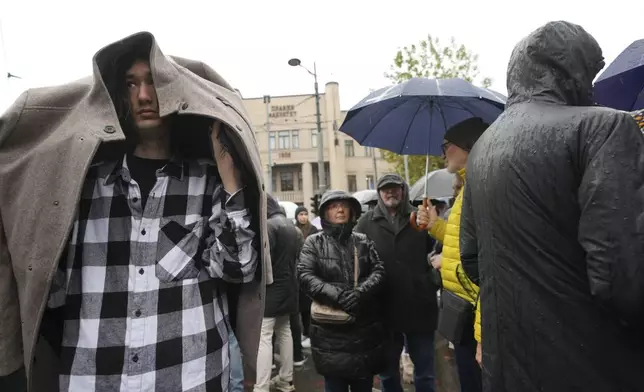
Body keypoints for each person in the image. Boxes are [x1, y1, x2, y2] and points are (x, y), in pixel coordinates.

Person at [0, 32, 270, 392]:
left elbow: (238, 268)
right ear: (119, 96)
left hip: (191, 377)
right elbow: (49, 286)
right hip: (94, 378)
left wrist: (231, 180)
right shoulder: (83, 185)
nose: (144, 95)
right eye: (131, 84)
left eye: (154, 82)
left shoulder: (206, 182)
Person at [460, 21, 644, 391]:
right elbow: (622, 274)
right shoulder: (604, 128)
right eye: (589, 73)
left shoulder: (482, 148)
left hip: (506, 366)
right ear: (570, 70)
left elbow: (471, 258)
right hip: (591, 365)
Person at [418, 117, 489, 392]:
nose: (443, 152)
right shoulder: (468, 188)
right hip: (465, 311)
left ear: (469, 145)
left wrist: (484, 334)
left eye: (447, 145)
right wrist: (434, 225)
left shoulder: (482, 187)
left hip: (476, 315)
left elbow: (489, 265)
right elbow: (464, 241)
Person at [355, 174, 438, 392]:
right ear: (380, 193)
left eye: (395, 188)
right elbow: (357, 261)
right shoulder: (366, 222)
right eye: (385, 189)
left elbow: (439, 251)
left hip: (419, 305)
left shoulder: (420, 217)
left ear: (403, 190)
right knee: (387, 373)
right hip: (384, 309)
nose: (390, 192)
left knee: (425, 372)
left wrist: (431, 280)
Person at [298, 190, 387, 392]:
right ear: (324, 214)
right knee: (335, 385)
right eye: (332, 206)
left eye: (343, 206)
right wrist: (337, 296)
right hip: (330, 334)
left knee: (363, 384)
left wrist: (360, 293)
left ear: (351, 211)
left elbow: (379, 271)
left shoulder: (363, 241)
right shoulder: (314, 242)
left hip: (363, 331)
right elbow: (305, 275)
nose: (339, 210)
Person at [255, 195, 302, 392]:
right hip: (290, 288)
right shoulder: (293, 228)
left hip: (271, 289)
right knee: (285, 332)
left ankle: (261, 386)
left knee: (264, 337)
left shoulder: (267, 226)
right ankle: (286, 379)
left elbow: (263, 261)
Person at [293, 206, 318, 351]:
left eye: (305, 214)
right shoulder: (293, 230)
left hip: (310, 269)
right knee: (301, 305)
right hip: (298, 271)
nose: (303, 217)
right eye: (301, 214)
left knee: (309, 306)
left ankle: (309, 333)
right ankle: (304, 332)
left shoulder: (313, 230)